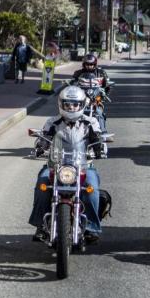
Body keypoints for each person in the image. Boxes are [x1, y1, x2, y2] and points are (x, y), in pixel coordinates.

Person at [28, 86, 105, 244]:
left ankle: (91, 227)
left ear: (81, 104)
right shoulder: (52, 122)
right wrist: (40, 147)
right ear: (61, 104)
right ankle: (41, 225)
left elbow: (98, 138)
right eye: (68, 104)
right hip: (56, 165)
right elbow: (44, 138)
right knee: (42, 184)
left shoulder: (91, 122)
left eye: (75, 104)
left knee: (92, 189)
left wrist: (99, 148)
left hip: (83, 166)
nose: (71, 107)